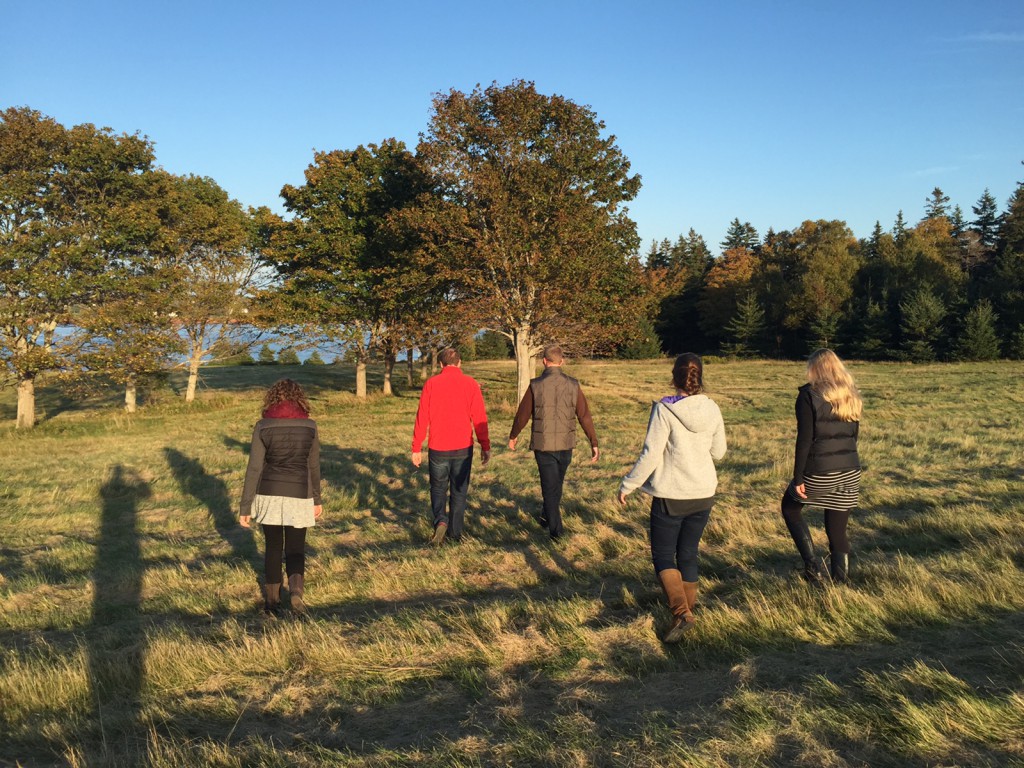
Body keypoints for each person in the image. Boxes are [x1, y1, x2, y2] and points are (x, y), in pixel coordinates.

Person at [618, 353, 727, 642]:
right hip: (703, 493)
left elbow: (651, 453)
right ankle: (686, 614)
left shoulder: (664, 409)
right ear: (700, 376)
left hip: (671, 495)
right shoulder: (712, 408)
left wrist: (629, 484)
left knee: (664, 555)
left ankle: (681, 614)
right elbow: (719, 452)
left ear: (674, 375)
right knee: (688, 553)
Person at [240, 379, 322, 617]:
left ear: (272, 399)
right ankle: (296, 593)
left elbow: (254, 468)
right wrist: (316, 499)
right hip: (300, 493)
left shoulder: (263, 426)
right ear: (300, 398)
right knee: (296, 548)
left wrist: (245, 506)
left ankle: (272, 603)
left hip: (269, 494)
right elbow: (313, 466)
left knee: (273, 547)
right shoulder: (310, 426)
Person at [781, 348, 862, 585]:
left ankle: (811, 567)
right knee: (837, 532)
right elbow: (854, 436)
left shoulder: (809, 395)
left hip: (820, 470)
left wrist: (798, 479)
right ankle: (841, 583)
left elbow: (804, 440)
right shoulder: (851, 395)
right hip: (850, 471)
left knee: (790, 508)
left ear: (814, 368)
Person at [508, 345, 599, 540]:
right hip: (566, 443)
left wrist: (513, 435)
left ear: (544, 361)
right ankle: (552, 523)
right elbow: (584, 416)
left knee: (551, 487)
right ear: (562, 362)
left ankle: (554, 529)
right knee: (555, 485)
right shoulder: (574, 385)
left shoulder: (535, 385)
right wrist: (594, 442)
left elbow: (522, 414)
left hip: (543, 445)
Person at [411, 348, 491, 545]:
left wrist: (416, 447)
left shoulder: (431, 384)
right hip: (463, 446)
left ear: (440, 364)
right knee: (459, 490)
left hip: (438, 446)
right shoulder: (471, 384)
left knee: (438, 488)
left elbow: (422, 417)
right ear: (460, 363)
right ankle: (455, 534)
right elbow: (479, 417)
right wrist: (485, 445)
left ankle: (440, 521)